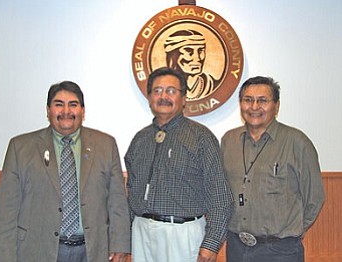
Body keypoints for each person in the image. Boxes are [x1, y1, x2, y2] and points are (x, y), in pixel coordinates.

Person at [0, 81, 131, 262]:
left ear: (83, 110)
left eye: (73, 104)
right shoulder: (21, 148)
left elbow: (117, 201)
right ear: (48, 110)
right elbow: (5, 211)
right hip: (36, 250)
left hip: (92, 251)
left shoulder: (105, 145)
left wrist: (119, 244)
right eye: (59, 104)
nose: (66, 111)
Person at [124, 67, 234, 262]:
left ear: (184, 98)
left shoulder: (201, 137)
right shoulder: (140, 140)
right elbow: (131, 193)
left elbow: (220, 197)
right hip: (141, 234)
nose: (163, 96)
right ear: (149, 97)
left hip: (183, 236)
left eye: (171, 91)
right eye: (157, 91)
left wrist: (211, 244)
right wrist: (123, 240)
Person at [220, 76, 325, 262]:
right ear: (241, 104)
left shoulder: (297, 142)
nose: (254, 107)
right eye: (248, 100)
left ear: (276, 106)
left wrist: (291, 232)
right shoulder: (229, 141)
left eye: (262, 100)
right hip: (236, 247)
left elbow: (314, 198)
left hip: (280, 251)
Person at [164, 29, 221, 100]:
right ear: (173, 55)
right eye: (188, 51)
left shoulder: (213, 85)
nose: (197, 58)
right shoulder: (162, 88)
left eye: (200, 51)